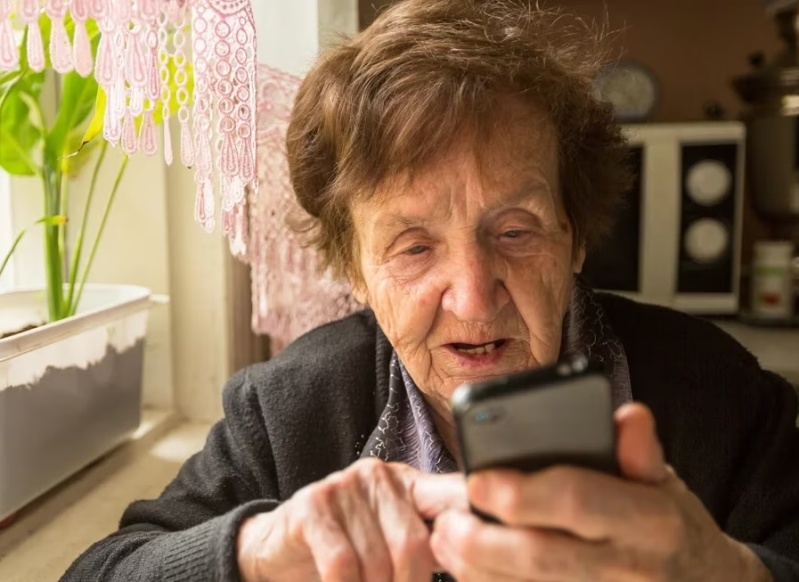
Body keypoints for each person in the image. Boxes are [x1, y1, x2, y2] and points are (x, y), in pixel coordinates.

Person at [62, 0, 799, 580]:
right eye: (414, 248)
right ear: (354, 268)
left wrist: (726, 573)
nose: (473, 299)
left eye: (515, 231)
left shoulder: (720, 394)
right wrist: (257, 549)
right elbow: (102, 570)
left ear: (574, 238)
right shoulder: (285, 412)